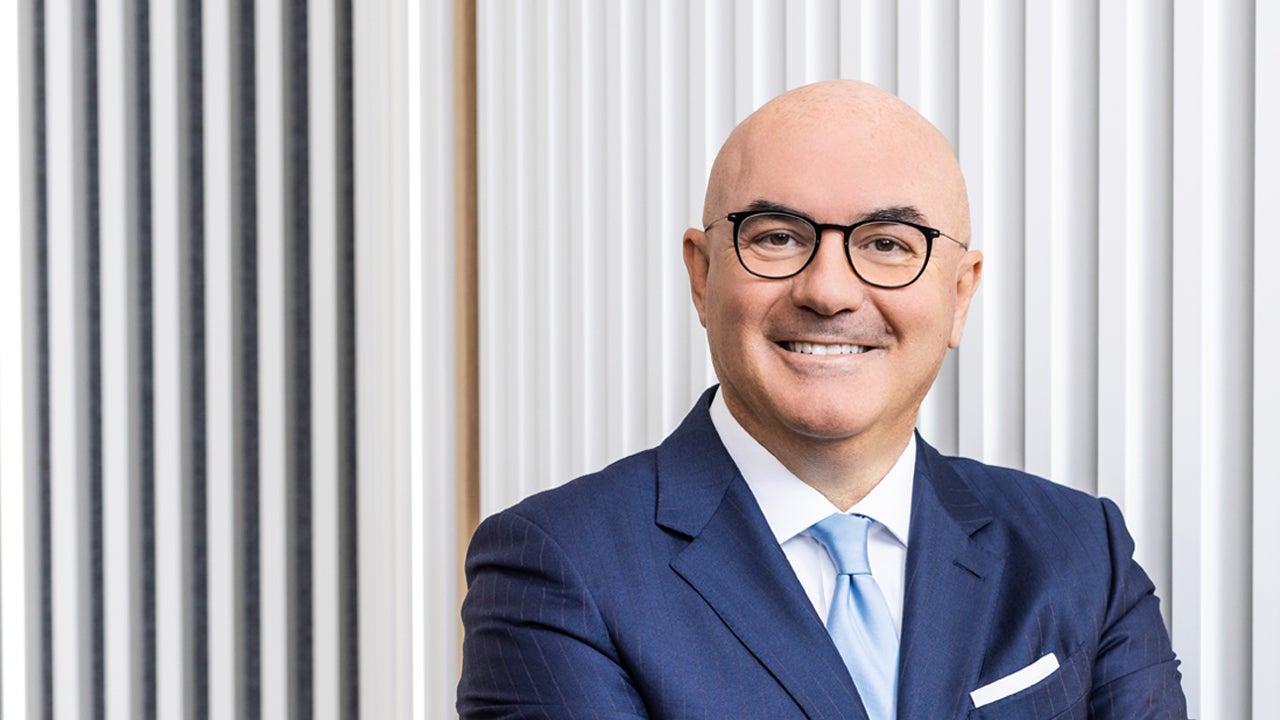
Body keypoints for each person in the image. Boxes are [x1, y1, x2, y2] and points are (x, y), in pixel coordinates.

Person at [457, 80, 1187, 719]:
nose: (829, 291)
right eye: (777, 237)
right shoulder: (557, 566)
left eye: (888, 244)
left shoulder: (1081, 552)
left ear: (960, 294)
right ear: (701, 278)